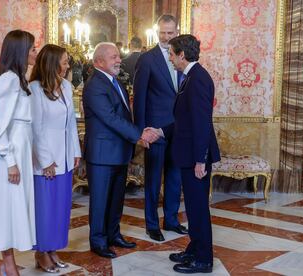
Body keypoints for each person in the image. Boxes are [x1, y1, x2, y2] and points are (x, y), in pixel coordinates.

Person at [82, 42, 160, 259]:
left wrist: (138, 132)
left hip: (118, 152)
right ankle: (98, 241)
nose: (119, 60)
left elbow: (125, 115)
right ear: (99, 61)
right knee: (100, 201)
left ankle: (113, 234)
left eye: (118, 56)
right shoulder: (95, 85)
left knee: (116, 199)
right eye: (113, 57)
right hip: (102, 155)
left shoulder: (115, 82)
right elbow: (110, 118)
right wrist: (139, 135)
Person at [165, 34, 220, 274]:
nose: (170, 57)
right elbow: (184, 120)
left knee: (198, 208)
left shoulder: (197, 79)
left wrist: (200, 158)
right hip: (189, 154)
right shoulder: (191, 77)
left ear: (182, 55)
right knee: (194, 207)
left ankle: (204, 259)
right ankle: (194, 249)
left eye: (171, 53)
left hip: (196, 156)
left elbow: (201, 123)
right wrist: (159, 130)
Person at [0, 30, 37, 276]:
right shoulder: (8, 80)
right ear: (19, 51)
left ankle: (10, 262)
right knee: (9, 207)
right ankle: (8, 264)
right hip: (13, 152)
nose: (34, 52)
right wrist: (10, 161)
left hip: (22, 148)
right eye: (31, 48)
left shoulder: (19, 79)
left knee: (17, 206)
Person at [133, 14, 187, 242]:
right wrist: (141, 132)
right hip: (155, 131)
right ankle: (151, 224)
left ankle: (172, 220)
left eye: (170, 33)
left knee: (175, 178)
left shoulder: (184, 57)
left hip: (178, 129)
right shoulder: (147, 59)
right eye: (163, 33)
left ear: (177, 31)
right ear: (157, 32)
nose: (166, 37)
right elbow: (140, 97)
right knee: (153, 180)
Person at [29, 44, 81, 273]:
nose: (68, 65)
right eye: (64, 61)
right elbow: (35, 129)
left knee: (61, 208)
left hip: (66, 157)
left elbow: (71, 123)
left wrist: (75, 151)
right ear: (52, 63)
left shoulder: (67, 86)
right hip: (46, 161)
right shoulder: (34, 90)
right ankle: (41, 252)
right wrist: (45, 160)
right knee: (45, 209)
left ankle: (53, 250)